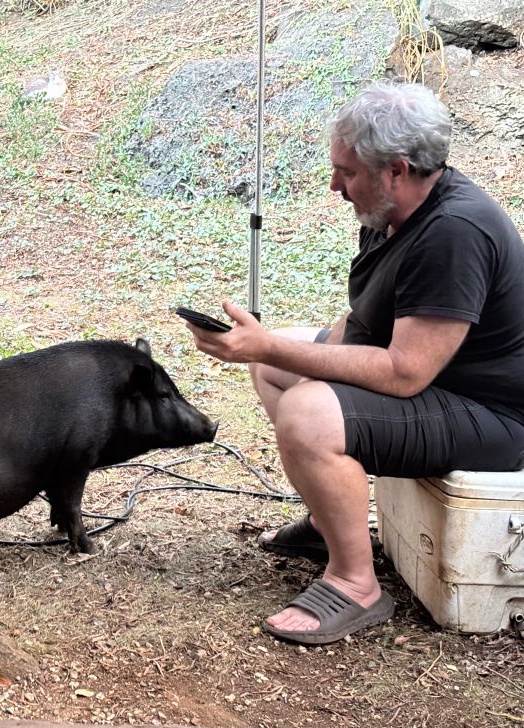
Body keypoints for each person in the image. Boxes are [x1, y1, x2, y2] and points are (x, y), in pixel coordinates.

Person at [182, 81, 524, 645]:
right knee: (277, 368)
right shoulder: (392, 214)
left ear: (397, 170)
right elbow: (360, 323)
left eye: (347, 171)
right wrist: (276, 353)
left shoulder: (453, 233)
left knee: (307, 413)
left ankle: (355, 583)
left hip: (495, 417)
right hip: (441, 385)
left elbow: (405, 372)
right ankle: (328, 523)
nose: (335, 185)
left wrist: (268, 346)